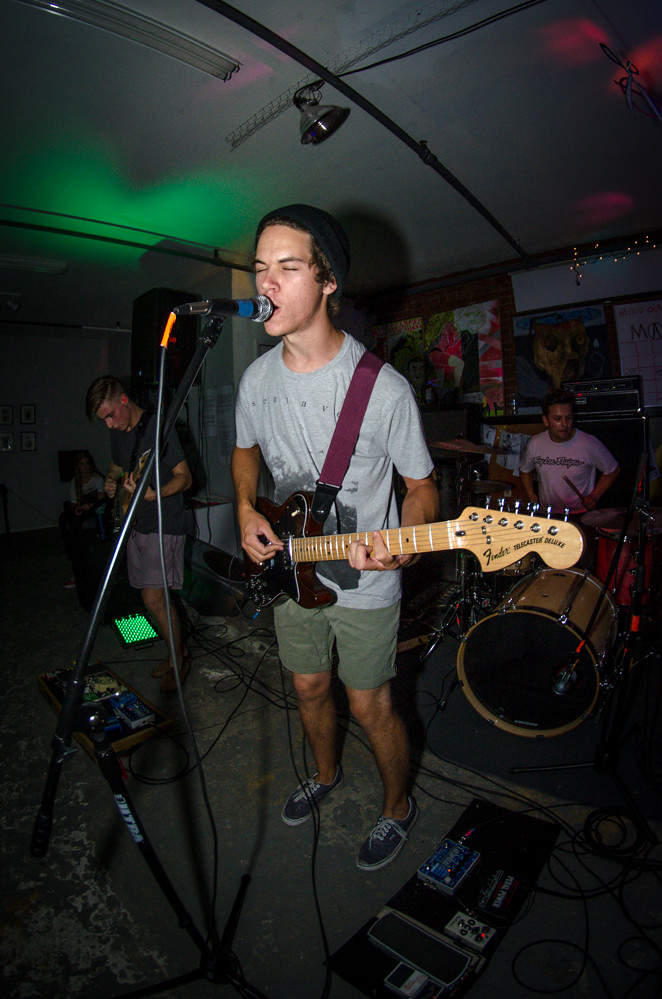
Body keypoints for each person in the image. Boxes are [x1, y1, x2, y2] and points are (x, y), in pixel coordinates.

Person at [231, 204, 439, 871]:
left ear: (327, 283)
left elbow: (422, 488)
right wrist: (243, 508)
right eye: (259, 268)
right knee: (309, 687)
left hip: (365, 578)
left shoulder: (382, 388)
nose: (265, 282)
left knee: (368, 701)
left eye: (286, 268)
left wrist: (404, 540)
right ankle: (324, 773)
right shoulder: (255, 379)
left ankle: (398, 805)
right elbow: (244, 452)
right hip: (292, 568)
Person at [85, 377, 193, 693]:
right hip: (135, 525)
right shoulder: (120, 433)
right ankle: (177, 653)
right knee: (152, 601)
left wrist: (152, 495)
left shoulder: (159, 426)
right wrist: (109, 480)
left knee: (153, 597)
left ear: (123, 400)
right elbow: (117, 468)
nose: (108, 424)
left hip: (163, 524)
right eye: (102, 419)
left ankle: (179, 661)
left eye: (109, 415)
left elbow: (185, 478)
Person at [520, 388, 620, 570]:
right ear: (545, 420)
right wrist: (530, 493)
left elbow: (612, 470)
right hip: (548, 517)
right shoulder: (535, 443)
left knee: (579, 572)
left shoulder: (589, 444)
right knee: (548, 570)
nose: (564, 424)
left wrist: (595, 495)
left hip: (581, 518)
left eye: (569, 418)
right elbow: (525, 470)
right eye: (557, 419)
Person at [60, 449, 106, 589]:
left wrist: (90, 506)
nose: (84, 467)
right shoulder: (75, 482)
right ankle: (76, 565)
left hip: (97, 513)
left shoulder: (97, 479)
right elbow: (73, 505)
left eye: (86, 464)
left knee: (85, 528)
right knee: (65, 522)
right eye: (81, 464)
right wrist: (78, 509)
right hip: (83, 514)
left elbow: (102, 502)